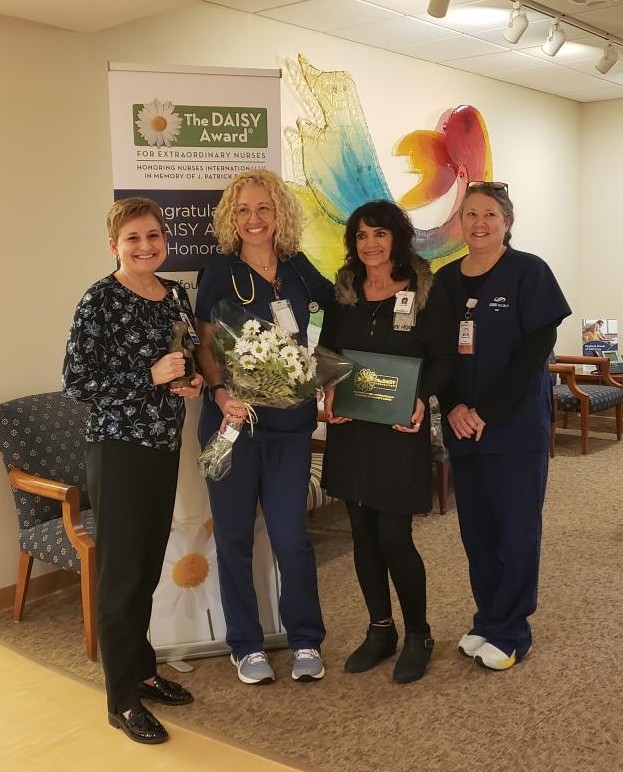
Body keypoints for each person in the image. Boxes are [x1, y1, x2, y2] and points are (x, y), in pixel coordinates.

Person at [63, 197, 203, 744]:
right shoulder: (99, 299)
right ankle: (120, 700)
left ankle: (142, 670)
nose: (145, 246)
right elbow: (78, 382)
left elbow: (183, 359)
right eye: (133, 239)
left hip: (162, 444)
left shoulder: (176, 294)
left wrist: (186, 382)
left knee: (146, 564)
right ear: (114, 246)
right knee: (121, 573)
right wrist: (147, 375)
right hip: (118, 450)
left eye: (152, 235)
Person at [195, 169, 334, 685]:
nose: (254, 220)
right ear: (232, 218)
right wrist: (221, 392)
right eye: (244, 211)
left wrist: (324, 374)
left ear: (280, 215)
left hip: (291, 426)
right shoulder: (219, 270)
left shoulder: (299, 270)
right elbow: (206, 344)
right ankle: (246, 645)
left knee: (290, 536)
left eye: (264, 209)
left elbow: (325, 318)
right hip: (233, 423)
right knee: (233, 537)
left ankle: (305, 639)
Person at [318, 200, 456, 684]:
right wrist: (330, 386)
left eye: (379, 233)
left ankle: (418, 632)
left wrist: (422, 397)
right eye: (361, 236)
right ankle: (381, 629)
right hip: (353, 428)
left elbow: (442, 358)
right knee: (362, 535)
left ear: (398, 236)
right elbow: (329, 351)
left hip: (400, 428)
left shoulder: (425, 290)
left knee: (394, 536)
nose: (370, 244)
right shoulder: (346, 290)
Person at [435, 181, 571, 671]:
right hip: (462, 426)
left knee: (516, 530)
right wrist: (452, 406)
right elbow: (439, 355)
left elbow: (532, 354)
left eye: (490, 214)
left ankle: (512, 630)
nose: (479, 223)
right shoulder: (446, 281)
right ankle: (488, 618)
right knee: (478, 531)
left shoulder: (529, 273)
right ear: (460, 223)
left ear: (507, 222)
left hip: (512, 428)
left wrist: (484, 412)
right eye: (470, 214)